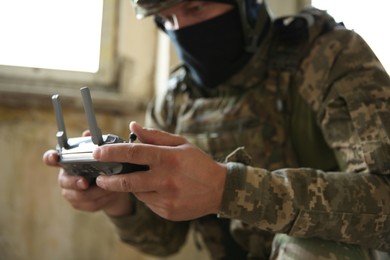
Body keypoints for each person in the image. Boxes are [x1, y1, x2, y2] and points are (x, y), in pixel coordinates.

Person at [43, 0, 390, 259]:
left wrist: (229, 189)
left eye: (195, 7)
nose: (182, 30)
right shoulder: (177, 99)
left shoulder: (329, 58)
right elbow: (165, 240)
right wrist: (118, 200)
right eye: (166, 19)